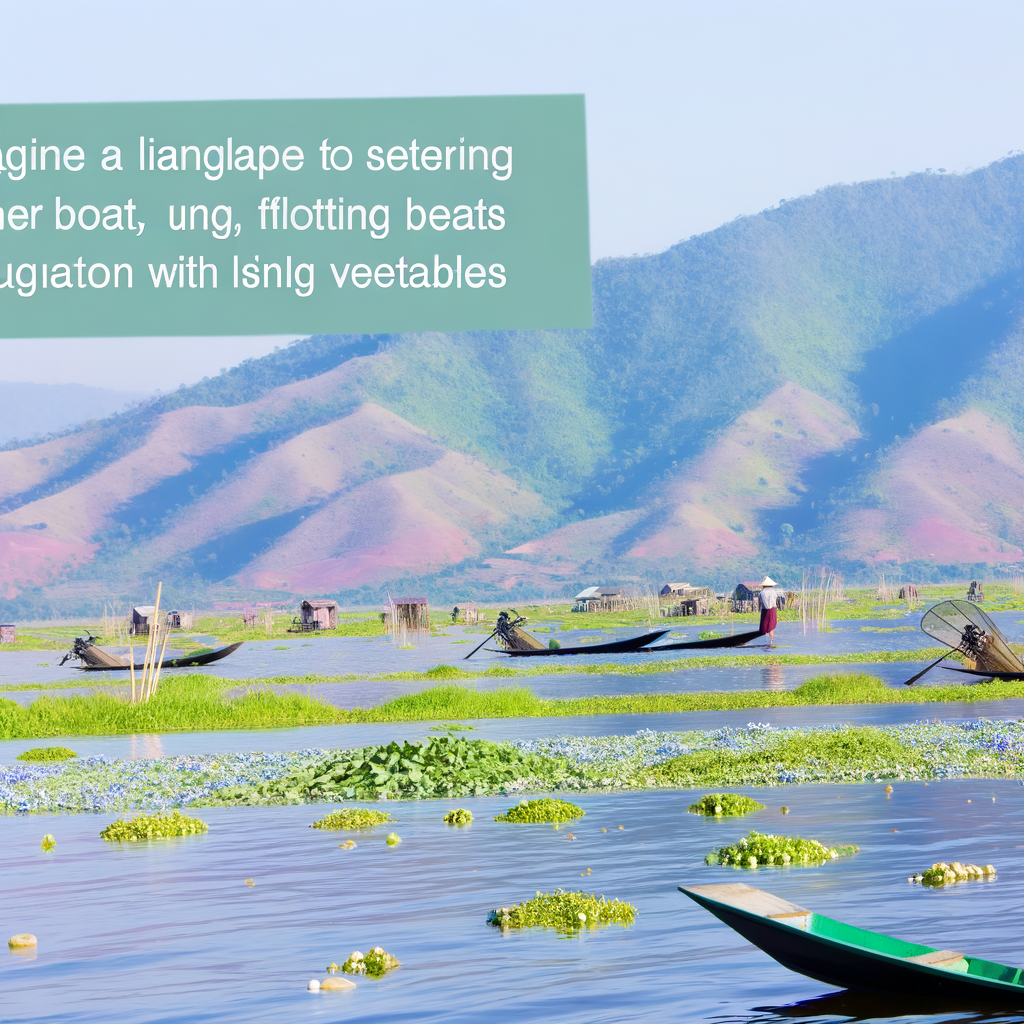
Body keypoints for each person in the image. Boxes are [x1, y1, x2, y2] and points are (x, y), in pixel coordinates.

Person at [758, 576, 781, 646]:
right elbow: (774, 602)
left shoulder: (761, 593)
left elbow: (760, 603)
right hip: (772, 610)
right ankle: (771, 641)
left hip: (764, 610)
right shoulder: (773, 592)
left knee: (764, 625)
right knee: (771, 626)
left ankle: (765, 641)